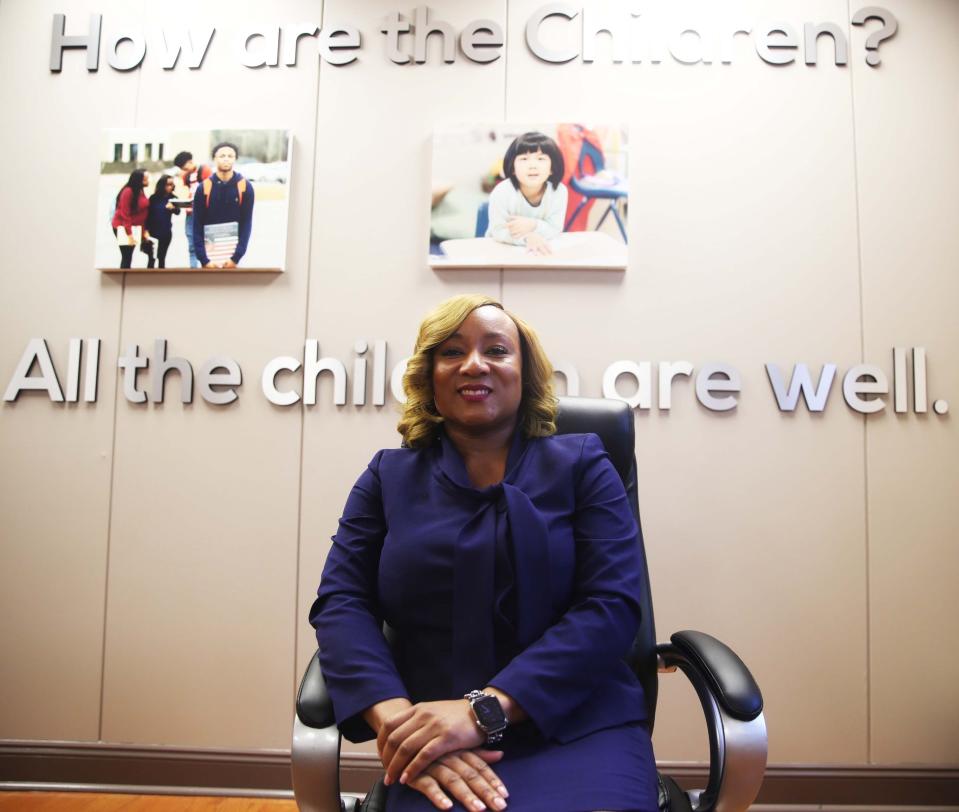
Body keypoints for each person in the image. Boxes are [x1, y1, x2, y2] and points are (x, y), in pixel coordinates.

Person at [310, 294, 658, 812]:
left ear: (526, 373)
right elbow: (341, 603)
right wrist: (401, 726)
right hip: (429, 730)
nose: (474, 364)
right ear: (429, 376)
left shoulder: (584, 463)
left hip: (575, 721)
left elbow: (610, 606)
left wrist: (478, 714)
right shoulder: (387, 476)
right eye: (451, 352)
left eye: (497, 350)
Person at [486, 132, 568, 257]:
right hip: (501, 251)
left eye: (541, 159)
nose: (532, 166)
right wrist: (528, 237)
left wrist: (533, 225)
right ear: (512, 167)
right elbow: (498, 231)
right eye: (524, 159)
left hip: (540, 252)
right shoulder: (502, 192)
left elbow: (555, 228)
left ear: (552, 167)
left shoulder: (559, 192)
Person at [190, 141, 255, 269]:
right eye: (222, 156)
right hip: (209, 257)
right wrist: (204, 260)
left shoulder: (244, 187)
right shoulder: (204, 187)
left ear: (235, 159)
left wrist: (236, 258)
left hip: (232, 257)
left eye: (230, 156)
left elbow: (246, 223)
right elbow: (197, 224)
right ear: (214, 158)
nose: (226, 159)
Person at [173, 150, 212, 269]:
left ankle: (206, 267)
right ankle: (193, 268)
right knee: (191, 240)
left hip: (204, 212)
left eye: (185, 168)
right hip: (191, 211)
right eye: (183, 169)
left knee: (206, 242)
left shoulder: (204, 170)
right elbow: (186, 190)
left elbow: (211, 189)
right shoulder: (186, 176)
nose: (185, 171)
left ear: (190, 162)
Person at [111, 169, 153, 269]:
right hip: (124, 227)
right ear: (138, 180)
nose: (148, 182)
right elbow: (125, 214)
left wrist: (144, 231)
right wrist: (129, 234)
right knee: (127, 256)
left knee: (132, 255)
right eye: (145, 180)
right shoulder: (128, 191)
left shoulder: (140, 190)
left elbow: (142, 213)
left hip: (136, 228)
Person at [145, 174, 180, 269]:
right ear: (162, 185)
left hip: (166, 232)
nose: (171, 186)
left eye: (172, 184)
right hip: (153, 232)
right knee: (151, 258)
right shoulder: (154, 198)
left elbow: (178, 212)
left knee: (162, 258)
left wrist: (172, 208)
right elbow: (147, 215)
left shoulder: (173, 198)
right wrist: (146, 230)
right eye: (168, 184)